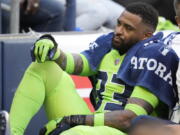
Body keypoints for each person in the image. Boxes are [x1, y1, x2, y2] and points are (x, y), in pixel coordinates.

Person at [9, 2, 179, 135]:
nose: (119, 31)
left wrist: (72, 120)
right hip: (94, 123)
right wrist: (54, 51)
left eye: (128, 28)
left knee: (76, 133)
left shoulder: (156, 54)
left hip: (125, 131)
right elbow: (78, 63)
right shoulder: (109, 41)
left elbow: (129, 120)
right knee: (43, 66)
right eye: (119, 24)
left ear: (146, 36)